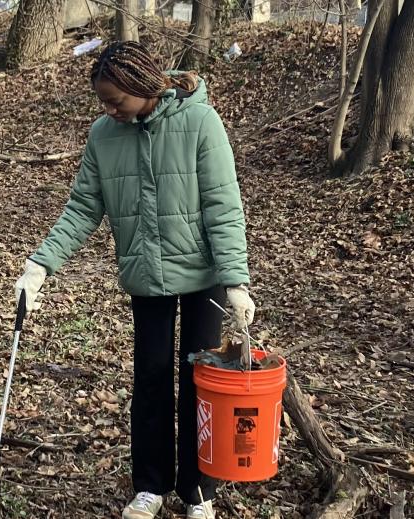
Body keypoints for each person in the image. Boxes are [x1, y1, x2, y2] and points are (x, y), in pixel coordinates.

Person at [14, 41, 255, 519]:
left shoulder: (200, 122)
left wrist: (236, 283)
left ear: (140, 88)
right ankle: (149, 486)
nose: (108, 110)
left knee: (199, 382)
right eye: (103, 102)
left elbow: (223, 207)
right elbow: (83, 209)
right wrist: (40, 266)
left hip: (204, 277)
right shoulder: (104, 135)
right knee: (149, 379)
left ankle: (199, 491)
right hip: (145, 275)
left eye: (114, 101)